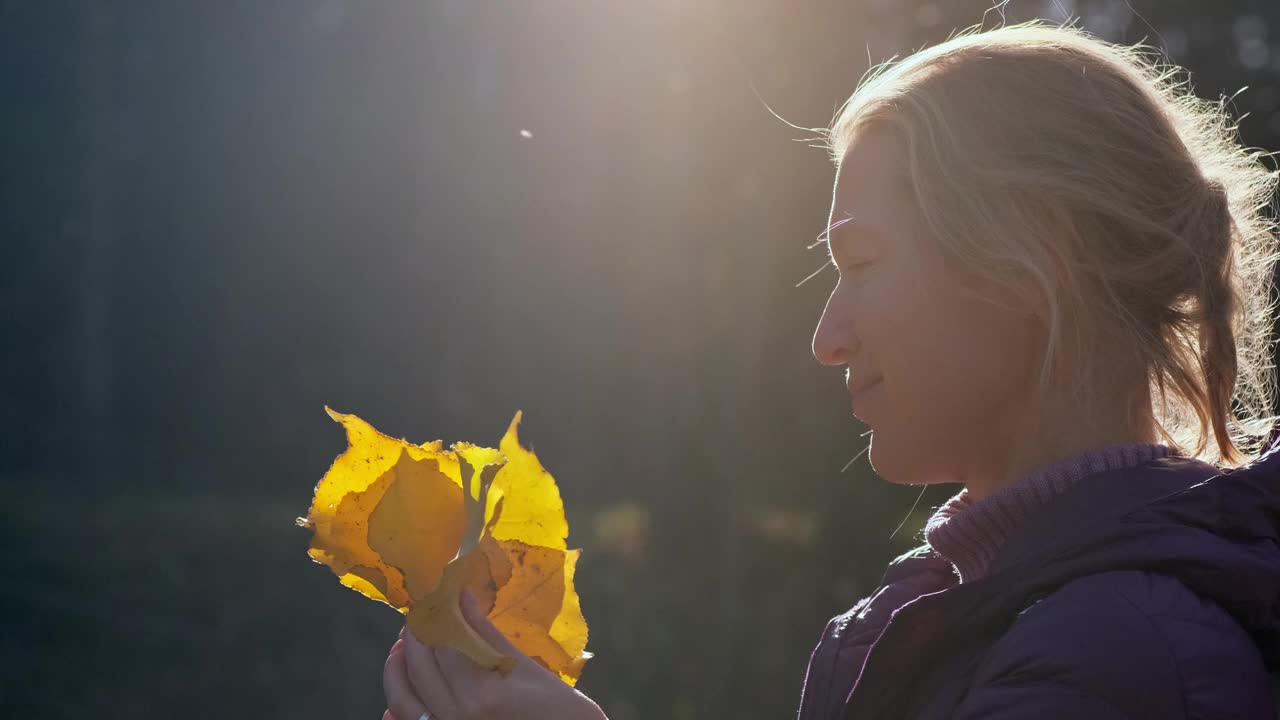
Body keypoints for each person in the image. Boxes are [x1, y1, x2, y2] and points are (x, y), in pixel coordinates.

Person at [382, 19, 1280, 720]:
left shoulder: (1115, 656)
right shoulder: (974, 614)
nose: (827, 338)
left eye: (860, 263)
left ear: (1023, 268)